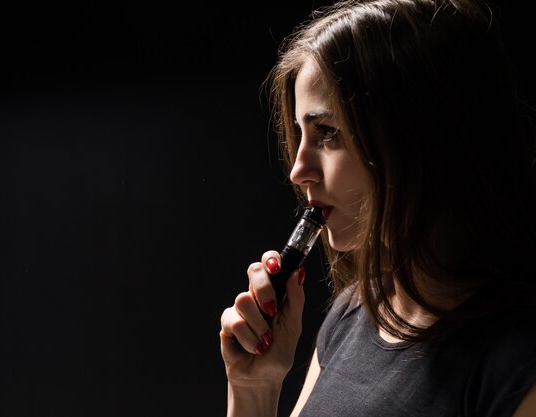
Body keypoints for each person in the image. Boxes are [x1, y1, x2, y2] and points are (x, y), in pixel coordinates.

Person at [219, 0, 536, 416]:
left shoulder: (518, 363)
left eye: (328, 133)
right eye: (300, 133)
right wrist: (254, 387)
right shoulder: (353, 313)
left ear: (422, 139)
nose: (298, 171)